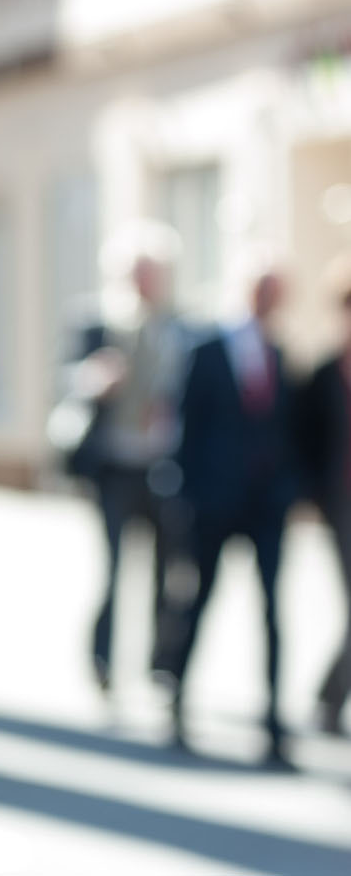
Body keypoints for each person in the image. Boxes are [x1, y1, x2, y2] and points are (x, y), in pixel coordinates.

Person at [162, 268, 297, 765]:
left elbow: (286, 430)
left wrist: (287, 490)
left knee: (273, 612)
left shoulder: (279, 356)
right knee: (199, 600)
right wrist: (186, 495)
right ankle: (177, 701)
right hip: (214, 503)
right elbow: (185, 426)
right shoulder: (208, 350)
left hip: (265, 506)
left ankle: (274, 721)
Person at [65, 228, 194, 695]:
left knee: (167, 570)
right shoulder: (98, 323)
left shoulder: (179, 328)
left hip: (161, 464)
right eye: (137, 275)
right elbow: (69, 378)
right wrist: (93, 381)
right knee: (115, 567)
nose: (145, 284)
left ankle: (159, 663)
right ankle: (103, 660)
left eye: (151, 274)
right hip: (114, 464)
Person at [295, 259, 351, 737]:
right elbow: (306, 442)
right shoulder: (325, 374)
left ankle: (328, 696)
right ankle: (329, 699)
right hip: (342, 503)